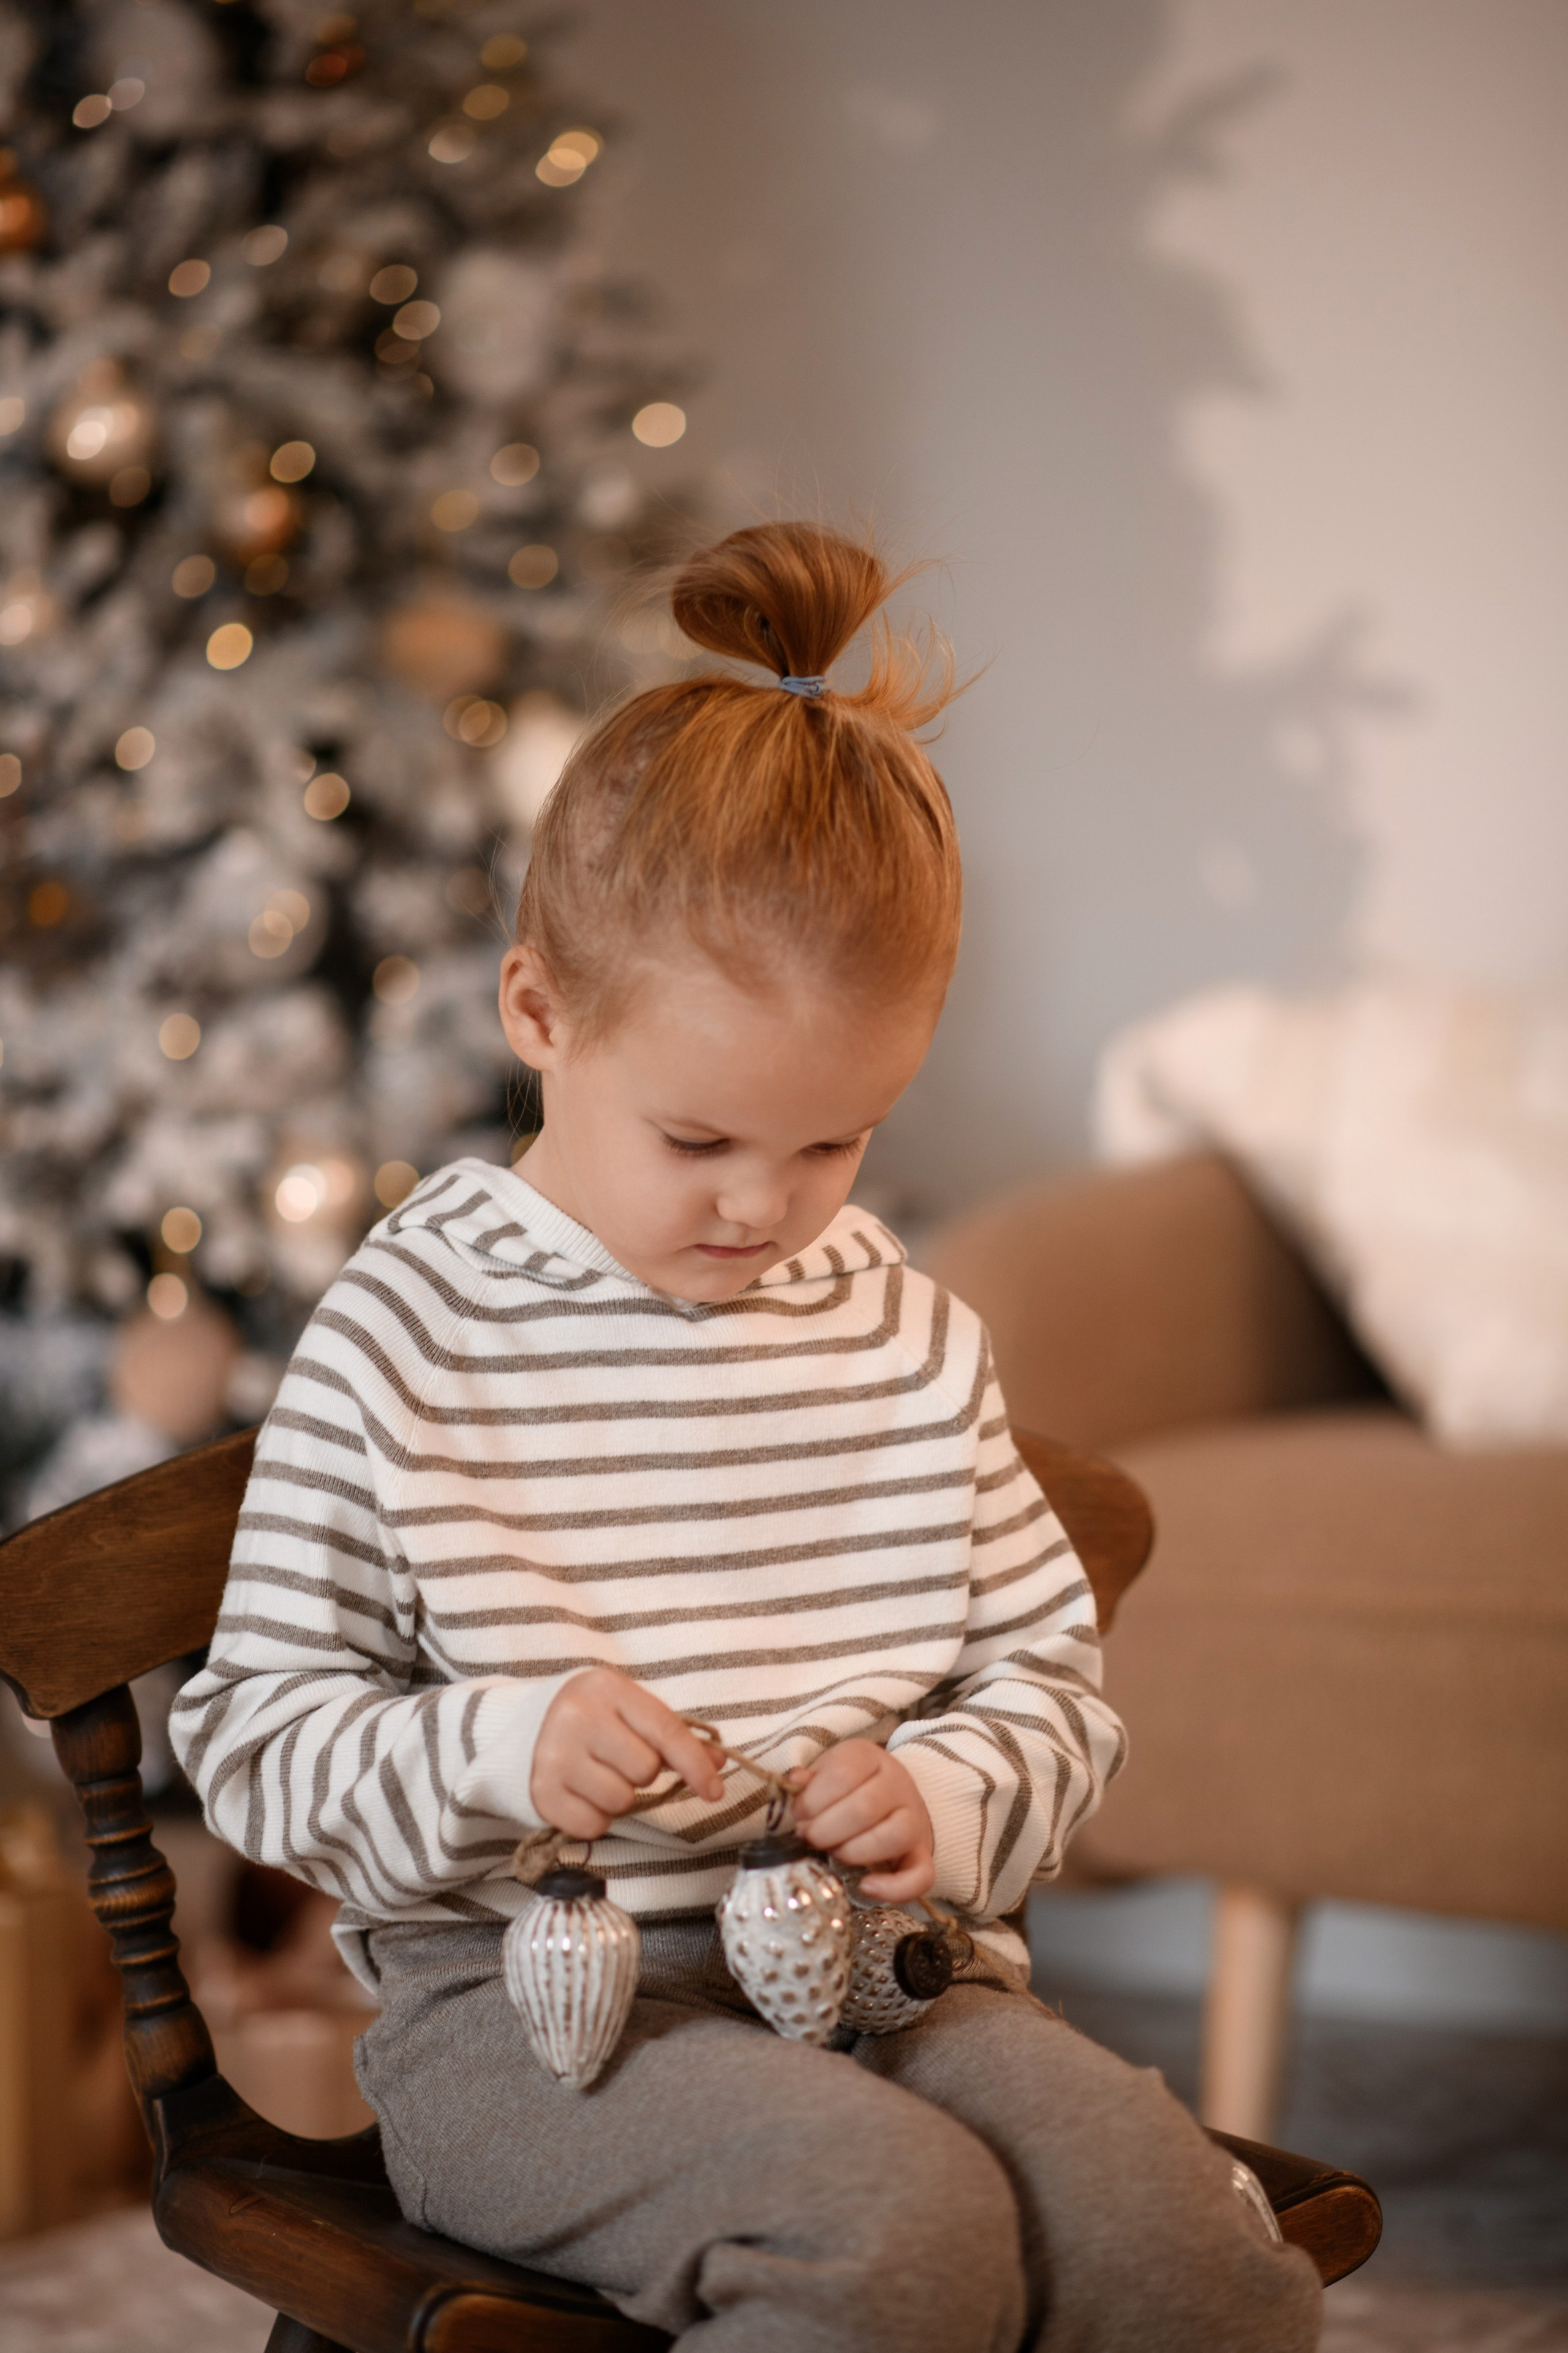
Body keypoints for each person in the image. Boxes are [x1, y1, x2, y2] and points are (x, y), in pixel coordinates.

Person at [172, 523, 1321, 2352]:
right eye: (701, 1141)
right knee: (891, 2223)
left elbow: (1053, 1693)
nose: (767, 1208)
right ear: (539, 1009)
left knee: (1171, 2237)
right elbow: (251, 1741)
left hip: (895, 1979)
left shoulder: (902, 1328)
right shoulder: (411, 1332)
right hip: (526, 2018)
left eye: (836, 1140)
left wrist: (942, 1795)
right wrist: (495, 1741)